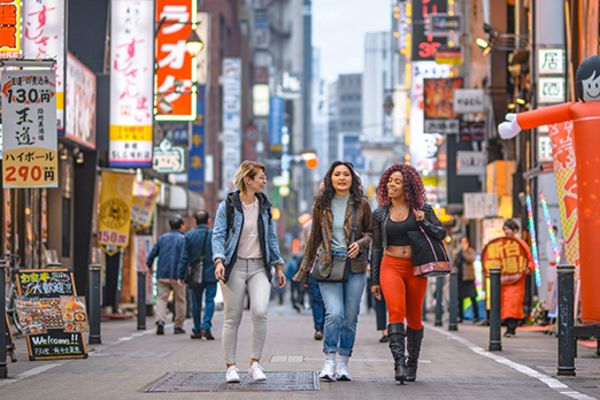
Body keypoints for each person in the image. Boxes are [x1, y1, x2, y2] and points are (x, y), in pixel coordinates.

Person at [293, 161, 372, 382]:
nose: (341, 178)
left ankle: (344, 363)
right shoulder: (321, 204)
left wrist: (362, 244)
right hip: (328, 264)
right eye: (337, 174)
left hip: (355, 266)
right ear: (330, 178)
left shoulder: (362, 204)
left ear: (352, 178)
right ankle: (329, 360)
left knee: (349, 316)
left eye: (346, 174)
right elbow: (313, 238)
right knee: (334, 313)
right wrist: (304, 269)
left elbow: (372, 232)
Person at [370, 163, 446, 383]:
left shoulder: (423, 209)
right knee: (395, 312)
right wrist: (374, 280)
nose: (392, 185)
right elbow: (376, 247)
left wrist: (425, 223)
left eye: (397, 181)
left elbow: (441, 233)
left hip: (416, 267)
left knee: (414, 317)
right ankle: (399, 363)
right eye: (389, 181)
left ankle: (412, 364)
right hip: (390, 266)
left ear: (408, 186)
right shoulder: (380, 214)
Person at [212, 160, 286, 384]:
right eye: (261, 177)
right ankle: (230, 366)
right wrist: (219, 260)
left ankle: (254, 363)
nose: (265, 181)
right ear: (249, 180)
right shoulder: (228, 205)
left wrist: (278, 265)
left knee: (261, 311)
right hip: (234, 266)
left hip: (259, 266)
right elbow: (218, 234)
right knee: (232, 317)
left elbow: (271, 238)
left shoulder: (265, 206)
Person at [178, 210, 217, 340]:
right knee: (210, 300)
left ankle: (197, 329)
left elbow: (184, 257)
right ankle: (206, 325)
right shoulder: (214, 235)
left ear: (194, 221)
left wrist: (181, 275)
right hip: (211, 273)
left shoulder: (189, 236)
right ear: (209, 221)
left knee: (196, 302)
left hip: (195, 274)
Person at [147, 215, 187, 335]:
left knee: (161, 298)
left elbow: (153, 253)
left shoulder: (162, 238)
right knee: (180, 300)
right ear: (181, 226)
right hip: (178, 275)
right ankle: (178, 326)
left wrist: (149, 266)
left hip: (162, 273)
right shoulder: (183, 239)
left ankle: (160, 321)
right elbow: (186, 257)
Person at [501, 219, 533, 337]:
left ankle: (511, 328)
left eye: (509, 229)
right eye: (505, 229)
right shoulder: (501, 245)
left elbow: (529, 259)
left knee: (514, 303)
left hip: (517, 280)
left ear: (515, 231)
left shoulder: (521, 244)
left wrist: (528, 268)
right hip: (504, 280)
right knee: (505, 304)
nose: (507, 232)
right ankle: (510, 327)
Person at [455, 236, 479, 323]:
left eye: (465, 242)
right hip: (460, 278)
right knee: (460, 299)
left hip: (469, 278)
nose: (463, 244)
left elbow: (471, 259)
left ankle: (476, 316)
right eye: (462, 242)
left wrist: (464, 252)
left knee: (473, 297)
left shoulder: (470, 251)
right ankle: (460, 316)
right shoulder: (458, 253)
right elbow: (455, 263)